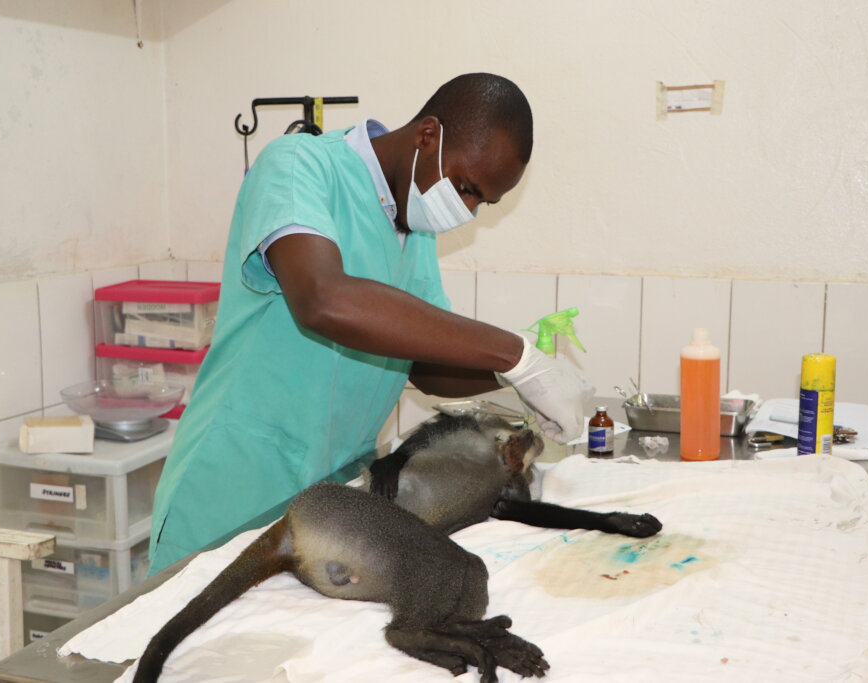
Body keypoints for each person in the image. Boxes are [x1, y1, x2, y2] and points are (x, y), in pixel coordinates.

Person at [148, 73, 592, 573]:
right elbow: (323, 299)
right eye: (466, 188)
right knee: (197, 616)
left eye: (481, 202)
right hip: (236, 485)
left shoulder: (415, 232)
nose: (467, 210)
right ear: (428, 135)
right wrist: (515, 355)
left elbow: (425, 364)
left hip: (330, 497)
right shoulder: (298, 166)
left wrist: (525, 380)